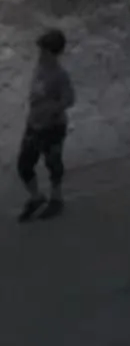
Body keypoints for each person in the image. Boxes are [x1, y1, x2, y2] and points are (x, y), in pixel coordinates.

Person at [17, 27, 72, 221]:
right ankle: (36, 197)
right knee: (24, 165)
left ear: (51, 52)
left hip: (52, 129)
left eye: (43, 50)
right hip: (34, 126)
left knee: (53, 163)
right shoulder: (39, 67)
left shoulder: (59, 75)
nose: (39, 53)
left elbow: (69, 99)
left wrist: (53, 110)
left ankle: (56, 199)